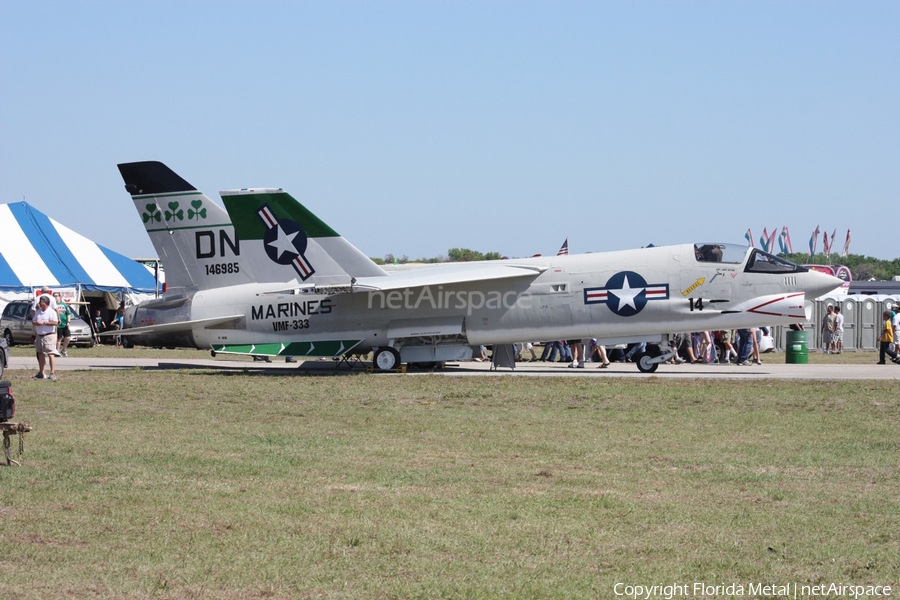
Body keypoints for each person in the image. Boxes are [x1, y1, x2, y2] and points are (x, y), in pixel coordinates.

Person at [32, 295, 59, 380]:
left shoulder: (51, 312)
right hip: (39, 335)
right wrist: (36, 323)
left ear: (47, 303)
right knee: (40, 354)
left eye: (42, 302)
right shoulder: (39, 311)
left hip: (49, 335)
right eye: (40, 302)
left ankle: (52, 373)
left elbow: (55, 322)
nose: (40, 304)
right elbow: (34, 320)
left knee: (51, 354)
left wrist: (44, 323)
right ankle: (41, 373)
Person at [53, 292, 72, 357]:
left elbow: (68, 314)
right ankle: (57, 351)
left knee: (68, 337)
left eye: (57, 296)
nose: (55, 297)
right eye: (54, 296)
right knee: (59, 339)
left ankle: (64, 350)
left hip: (65, 324)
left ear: (60, 297)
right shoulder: (53, 305)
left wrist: (68, 322)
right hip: (57, 324)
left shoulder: (64, 305)